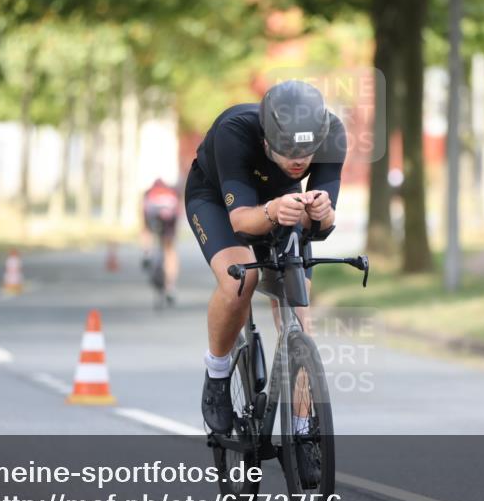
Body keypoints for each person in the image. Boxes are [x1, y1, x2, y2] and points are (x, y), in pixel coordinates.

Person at [183, 80, 346, 437]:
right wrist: (273, 210)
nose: (298, 160)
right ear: (266, 140)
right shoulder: (234, 132)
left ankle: (303, 429)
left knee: (299, 316)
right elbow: (241, 221)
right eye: (287, 150)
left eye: (306, 152)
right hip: (216, 195)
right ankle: (218, 371)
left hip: (281, 199)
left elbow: (322, 221)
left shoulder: (332, 132)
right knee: (240, 279)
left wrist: (321, 211)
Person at [141, 178, 181, 305]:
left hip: (152, 205)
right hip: (170, 207)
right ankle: (170, 287)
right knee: (169, 248)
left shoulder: (149, 191)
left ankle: (147, 252)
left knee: (146, 227)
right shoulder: (173, 189)